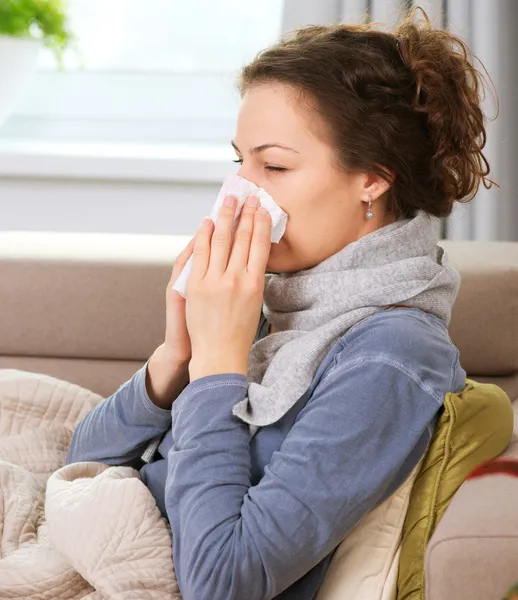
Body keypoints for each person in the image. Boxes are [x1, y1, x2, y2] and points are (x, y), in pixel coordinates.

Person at [66, 9, 492, 600]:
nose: (240, 195)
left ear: (372, 178)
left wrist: (219, 365)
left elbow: (222, 581)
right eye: (238, 161)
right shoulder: (288, 296)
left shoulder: (387, 359)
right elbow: (78, 466)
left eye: (274, 166)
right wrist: (176, 357)